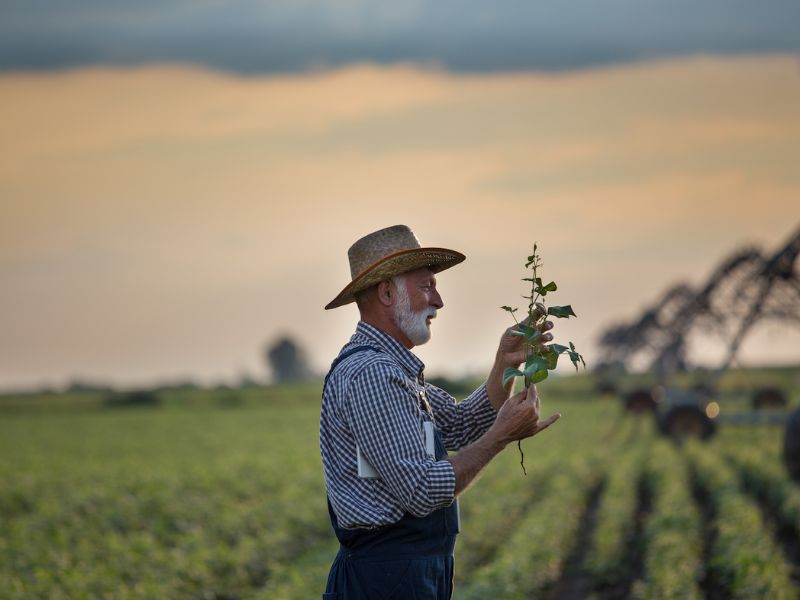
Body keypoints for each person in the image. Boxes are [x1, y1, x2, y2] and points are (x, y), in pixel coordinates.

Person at [320, 224, 561, 599]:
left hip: (408, 572)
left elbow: (463, 425)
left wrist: (505, 363)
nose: (439, 301)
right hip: (384, 579)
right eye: (427, 286)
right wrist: (501, 436)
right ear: (386, 292)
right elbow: (421, 489)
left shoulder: (395, 372)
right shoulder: (372, 374)